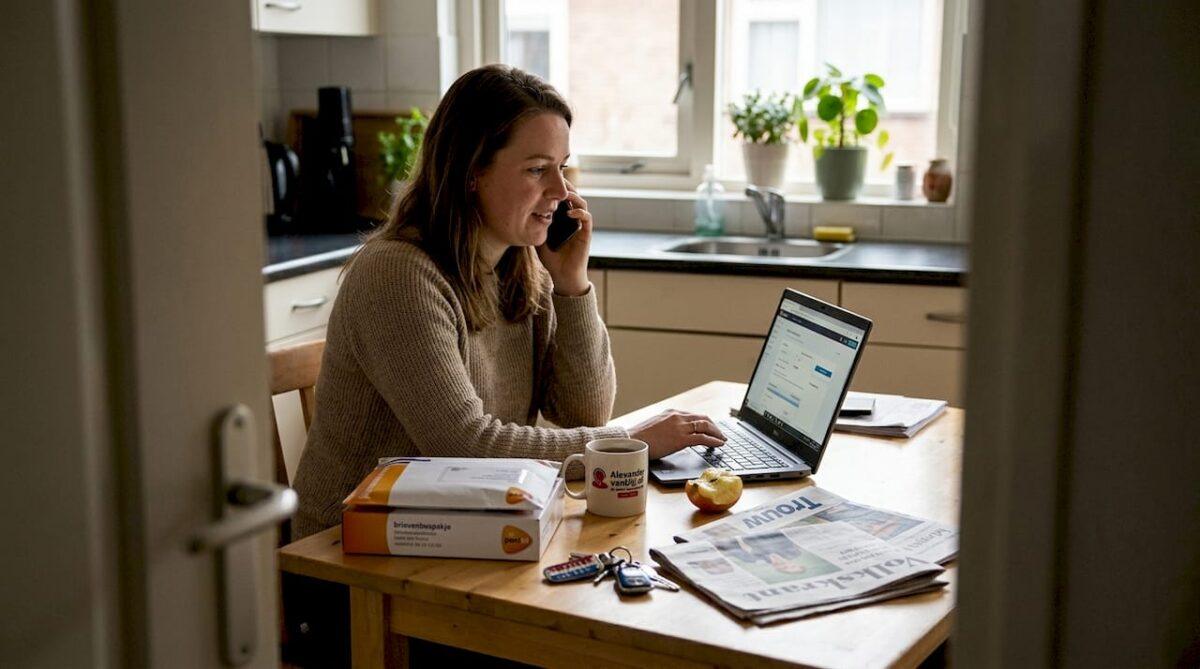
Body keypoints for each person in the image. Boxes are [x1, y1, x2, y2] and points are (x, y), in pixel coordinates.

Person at [290, 64, 726, 542]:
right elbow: (464, 446)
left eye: (562, 167)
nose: (561, 192)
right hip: (347, 547)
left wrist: (572, 285)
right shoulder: (397, 274)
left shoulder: (521, 266)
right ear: (472, 172)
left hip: (463, 523)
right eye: (537, 169)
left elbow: (584, 412)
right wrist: (629, 443)